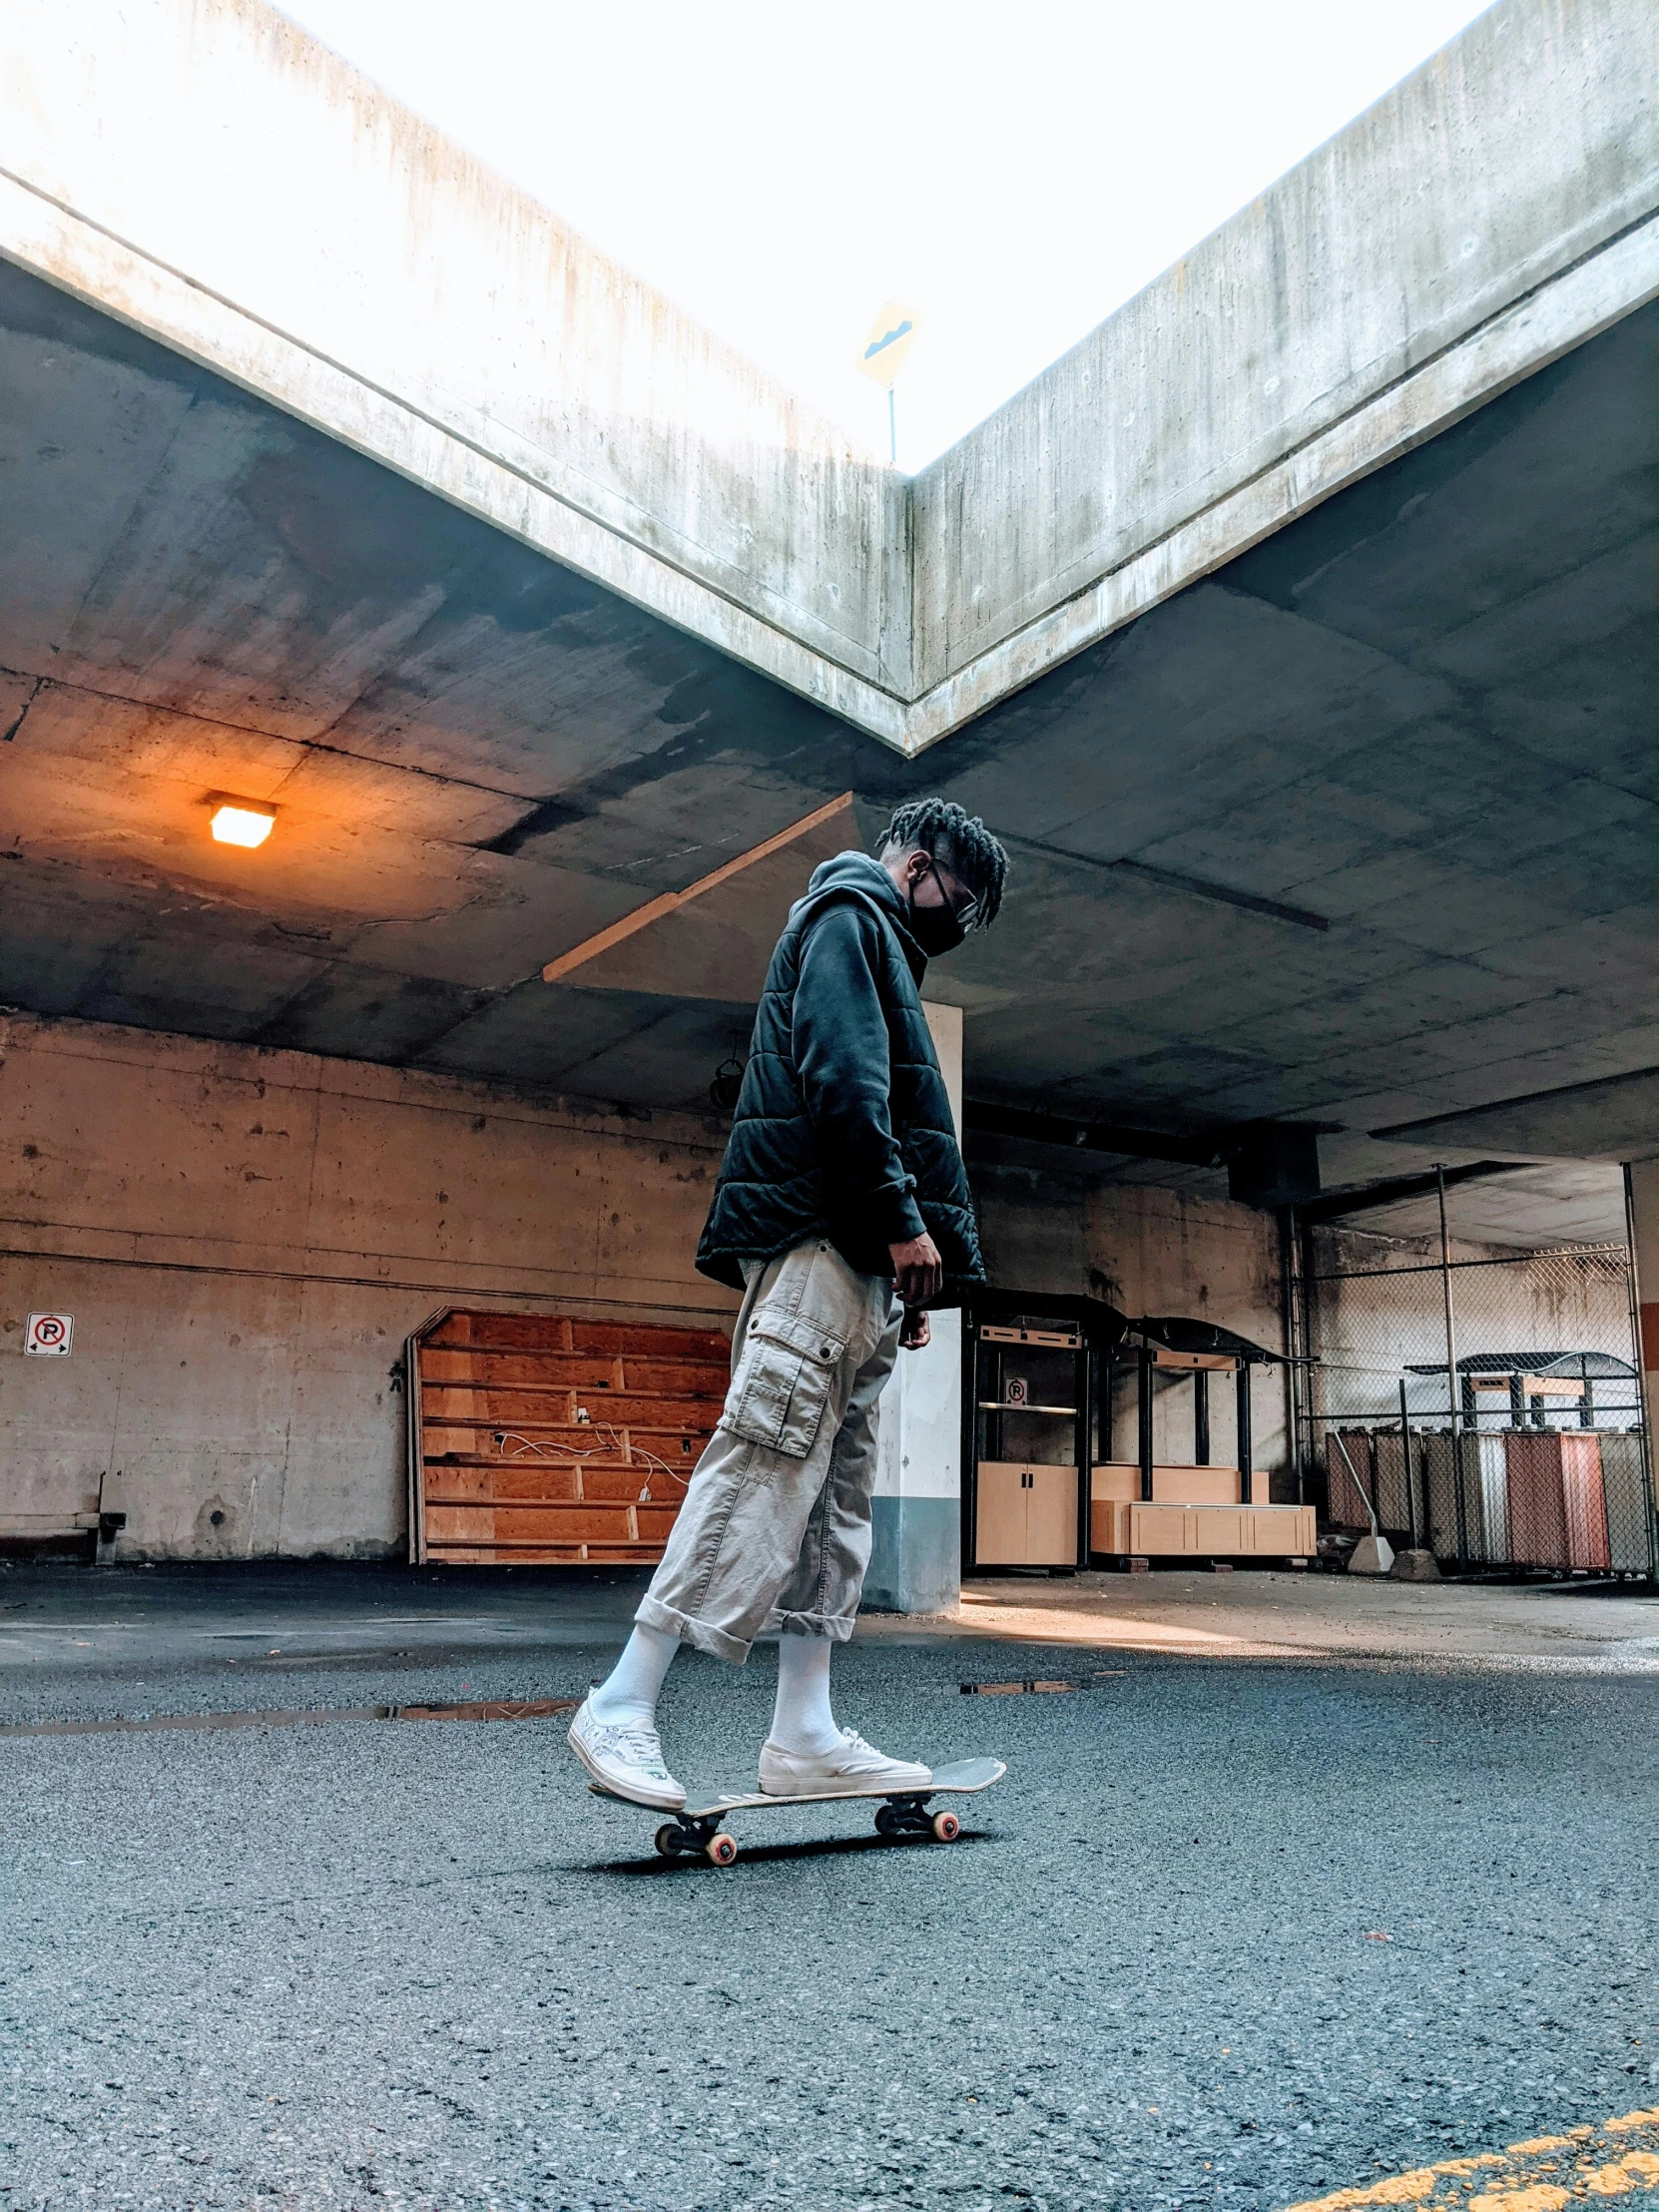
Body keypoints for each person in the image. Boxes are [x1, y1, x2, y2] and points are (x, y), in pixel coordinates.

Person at [567, 797, 1009, 1808]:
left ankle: (804, 1730)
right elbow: (845, 1085)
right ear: (915, 868)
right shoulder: (850, 917)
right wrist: (900, 1223)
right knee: (762, 1462)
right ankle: (622, 1702)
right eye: (962, 900)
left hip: (862, 1266)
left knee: (835, 1502)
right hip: (819, 1243)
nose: (962, 921)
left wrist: (913, 1264)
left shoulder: (888, 946)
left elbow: (891, 1113)